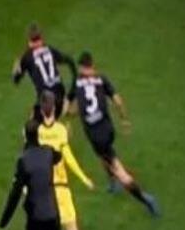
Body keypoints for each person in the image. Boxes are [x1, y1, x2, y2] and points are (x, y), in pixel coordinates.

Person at [67, 51, 160, 216]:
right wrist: (124, 120)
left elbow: (70, 109)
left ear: (81, 67)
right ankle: (112, 183)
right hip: (108, 130)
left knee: (119, 170)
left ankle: (146, 199)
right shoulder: (101, 78)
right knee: (103, 156)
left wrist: (71, 116)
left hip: (96, 136)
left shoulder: (77, 82)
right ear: (92, 65)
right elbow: (117, 100)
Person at [36, 90, 94, 230]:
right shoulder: (60, 131)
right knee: (72, 229)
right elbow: (68, 158)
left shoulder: (35, 131)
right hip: (60, 188)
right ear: (54, 109)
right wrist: (84, 178)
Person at [12, 23, 77, 119]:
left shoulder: (26, 56)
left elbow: (15, 80)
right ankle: (67, 109)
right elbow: (70, 61)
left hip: (46, 102)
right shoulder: (49, 49)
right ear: (41, 37)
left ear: (29, 40)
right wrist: (71, 94)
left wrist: (16, 68)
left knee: (32, 124)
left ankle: (60, 114)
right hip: (61, 96)